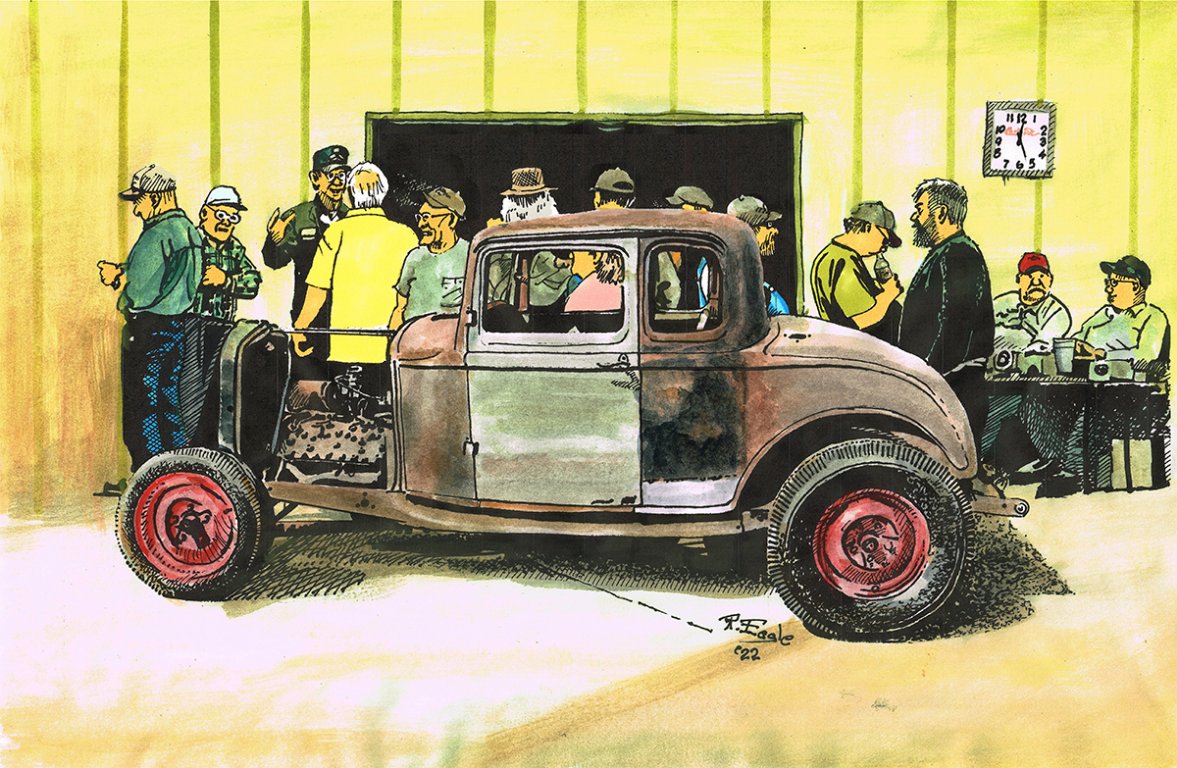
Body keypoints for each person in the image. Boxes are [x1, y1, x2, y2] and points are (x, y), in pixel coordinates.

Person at [96, 164, 202, 469]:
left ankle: (148, 472)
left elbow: (140, 291)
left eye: (139, 200)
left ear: (156, 197)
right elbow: (169, 280)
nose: (136, 208)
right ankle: (177, 470)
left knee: (143, 406)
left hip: (147, 330)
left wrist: (118, 278)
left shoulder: (157, 234)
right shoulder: (188, 230)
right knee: (168, 405)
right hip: (175, 327)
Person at [293, 162, 417, 413]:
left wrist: (300, 328)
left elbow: (318, 289)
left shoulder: (336, 232)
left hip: (344, 348)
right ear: (383, 194)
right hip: (390, 345)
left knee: (346, 418)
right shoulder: (406, 235)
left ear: (350, 195)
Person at [899, 178, 993, 451]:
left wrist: (924, 376)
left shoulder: (958, 254)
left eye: (920, 209)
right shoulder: (946, 252)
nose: (915, 217)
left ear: (940, 213)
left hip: (952, 386)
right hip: (944, 383)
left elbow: (954, 326)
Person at [262, 144, 350, 379]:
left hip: (344, 315)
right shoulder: (298, 218)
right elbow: (274, 261)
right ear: (315, 178)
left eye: (342, 175)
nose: (337, 182)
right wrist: (274, 240)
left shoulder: (351, 218)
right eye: (331, 175)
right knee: (309, 381)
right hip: (308, 315)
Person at [187, 185, 261, 444]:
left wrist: (227, 280)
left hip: (223, 331)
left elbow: (252, 282)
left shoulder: (234, 249)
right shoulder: (191, 243)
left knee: (219, 393)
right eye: (221, 215)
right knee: (192, 395)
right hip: (191, 330)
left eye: (233, 217)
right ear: (204, 214)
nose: (226, 222)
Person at [810, 201, 904, 343]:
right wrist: (888, 295)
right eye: (884, 240)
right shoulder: (842, 260)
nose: (884, 248)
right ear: (869, 227)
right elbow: (860, 320)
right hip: (862, 349)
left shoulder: (840, 255)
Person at [1074, 255, 1168, 369]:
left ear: (1135, 286)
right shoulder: (1104, 312)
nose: (1108, 289)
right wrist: (1075, 345)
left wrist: (1103, 355)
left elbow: (1147, 353)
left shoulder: (1153, 316)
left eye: (1114, 283)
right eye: (1108, 282)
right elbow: (1079, 338)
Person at [397, 186, 469, 322]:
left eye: (426, 217)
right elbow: (400, 307)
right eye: (420, 217)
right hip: (412, 333)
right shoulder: (415, 257)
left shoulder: (471, 255)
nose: (421, 224)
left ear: (451, 220)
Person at [992, 251, 1071, 355]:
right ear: (1019, 279)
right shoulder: (1004, 302)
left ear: (1050, 280)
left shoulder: (1056, 313)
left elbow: (1038, 349)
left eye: (1042, 276)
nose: (1036, 282)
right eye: (1030, 276)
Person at [726, 195, 790, 316]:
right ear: (748, 231)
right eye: (768, 225)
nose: (775, 231)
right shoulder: (723, 271)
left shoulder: (750, 269)